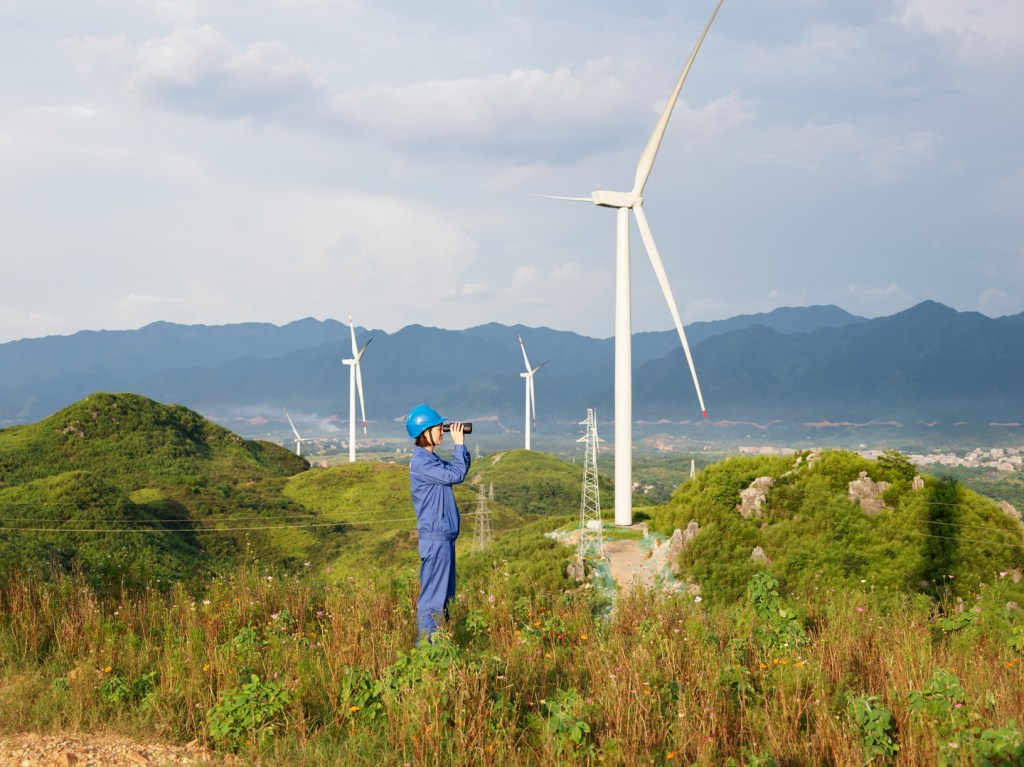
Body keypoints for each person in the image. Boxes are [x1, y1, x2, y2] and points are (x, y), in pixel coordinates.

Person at [405, 404, 470, 640]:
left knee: (445, 601)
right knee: (433, 600)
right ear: (425, 433)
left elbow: (455, 469)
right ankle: (426, 651)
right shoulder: (423, 463)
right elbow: (456, 475)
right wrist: (459, 444)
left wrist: (460, 447)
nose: (442, 431)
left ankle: (441, 647)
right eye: (438, 428)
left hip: (443, 538)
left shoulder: (431, 460)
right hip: (436, 539)